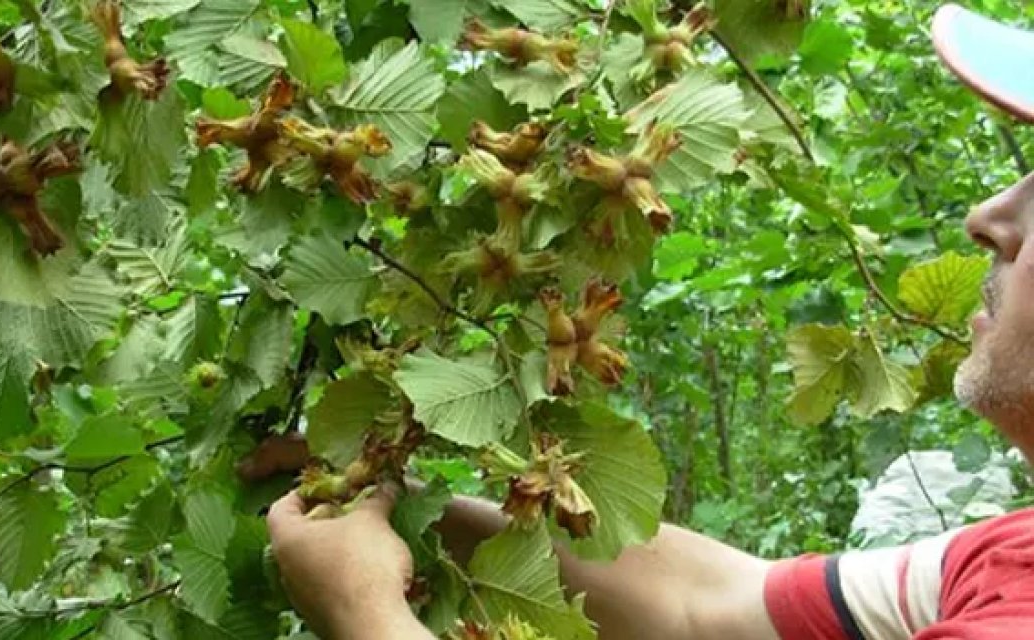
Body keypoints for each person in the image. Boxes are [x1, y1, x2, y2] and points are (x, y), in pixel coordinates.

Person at [264, 4, 1034, 639]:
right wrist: (405, 500)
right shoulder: (1012, 556)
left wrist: (362, 612)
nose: (988, 216)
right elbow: (707, 606)